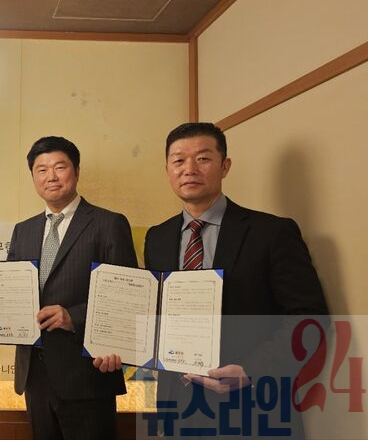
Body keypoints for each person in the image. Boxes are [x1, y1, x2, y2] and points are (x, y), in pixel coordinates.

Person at [138, 122, 328, 438]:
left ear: (225, 166)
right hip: (180, 405)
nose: (189, 169)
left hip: (254, 405)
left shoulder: (272, 232)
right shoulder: (157, 237)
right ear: (167, 170)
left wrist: (252, 371)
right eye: (179, 160)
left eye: (203, 158)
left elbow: (310, 320)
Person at [0, 136, 137, 439]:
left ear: (76, 171)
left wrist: (73, 317)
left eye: (60, 167)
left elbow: (127, 297)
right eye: (41, 170)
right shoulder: (24, 230)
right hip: (35, 376)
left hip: (86, 375)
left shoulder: (108, 223)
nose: (51, 176)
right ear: (33, 177)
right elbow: (7, 294)